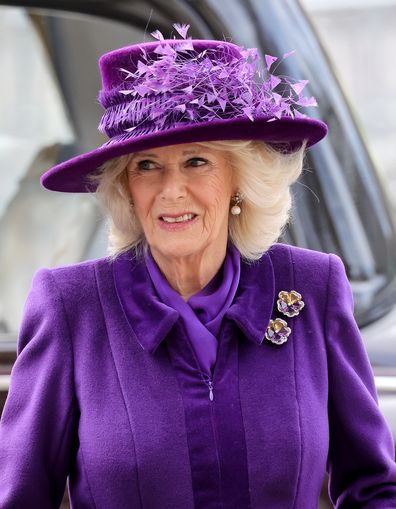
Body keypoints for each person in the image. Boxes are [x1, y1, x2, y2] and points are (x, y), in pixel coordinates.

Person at [1, 23, 396, 509]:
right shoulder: (71, 307)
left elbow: (377, 489)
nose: (171, 191)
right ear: (125, 186)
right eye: (147, 165)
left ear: (239, 177)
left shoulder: (312, 288)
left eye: (196, 161)